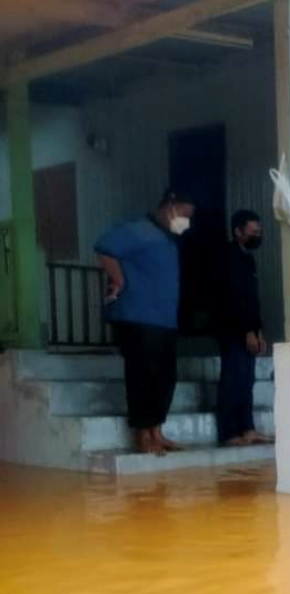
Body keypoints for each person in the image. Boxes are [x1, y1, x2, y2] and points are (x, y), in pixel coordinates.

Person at [95, 188, 194, 456]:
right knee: (142, 376)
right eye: (184, 215)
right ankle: (143, 434)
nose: (186, 222)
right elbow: (104, 248)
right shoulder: (137, 230)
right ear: (169, 207)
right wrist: (119, 280)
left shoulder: (169, 239)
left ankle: (157, 431)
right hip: (139, 317)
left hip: (165, 321)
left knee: (166, 377)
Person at [216, 209, 273, 447]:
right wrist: (246, 331)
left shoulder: (248, 258)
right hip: (232, 329)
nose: (257, 235)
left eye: (258, 232)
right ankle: (229, 432)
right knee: (232, 379)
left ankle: (247, 428)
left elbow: (252, 300)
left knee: (246, 380)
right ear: (238, 232)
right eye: (253, 232)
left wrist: (258, 330)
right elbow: (232, 298)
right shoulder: (227, 257)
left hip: (249, 328)